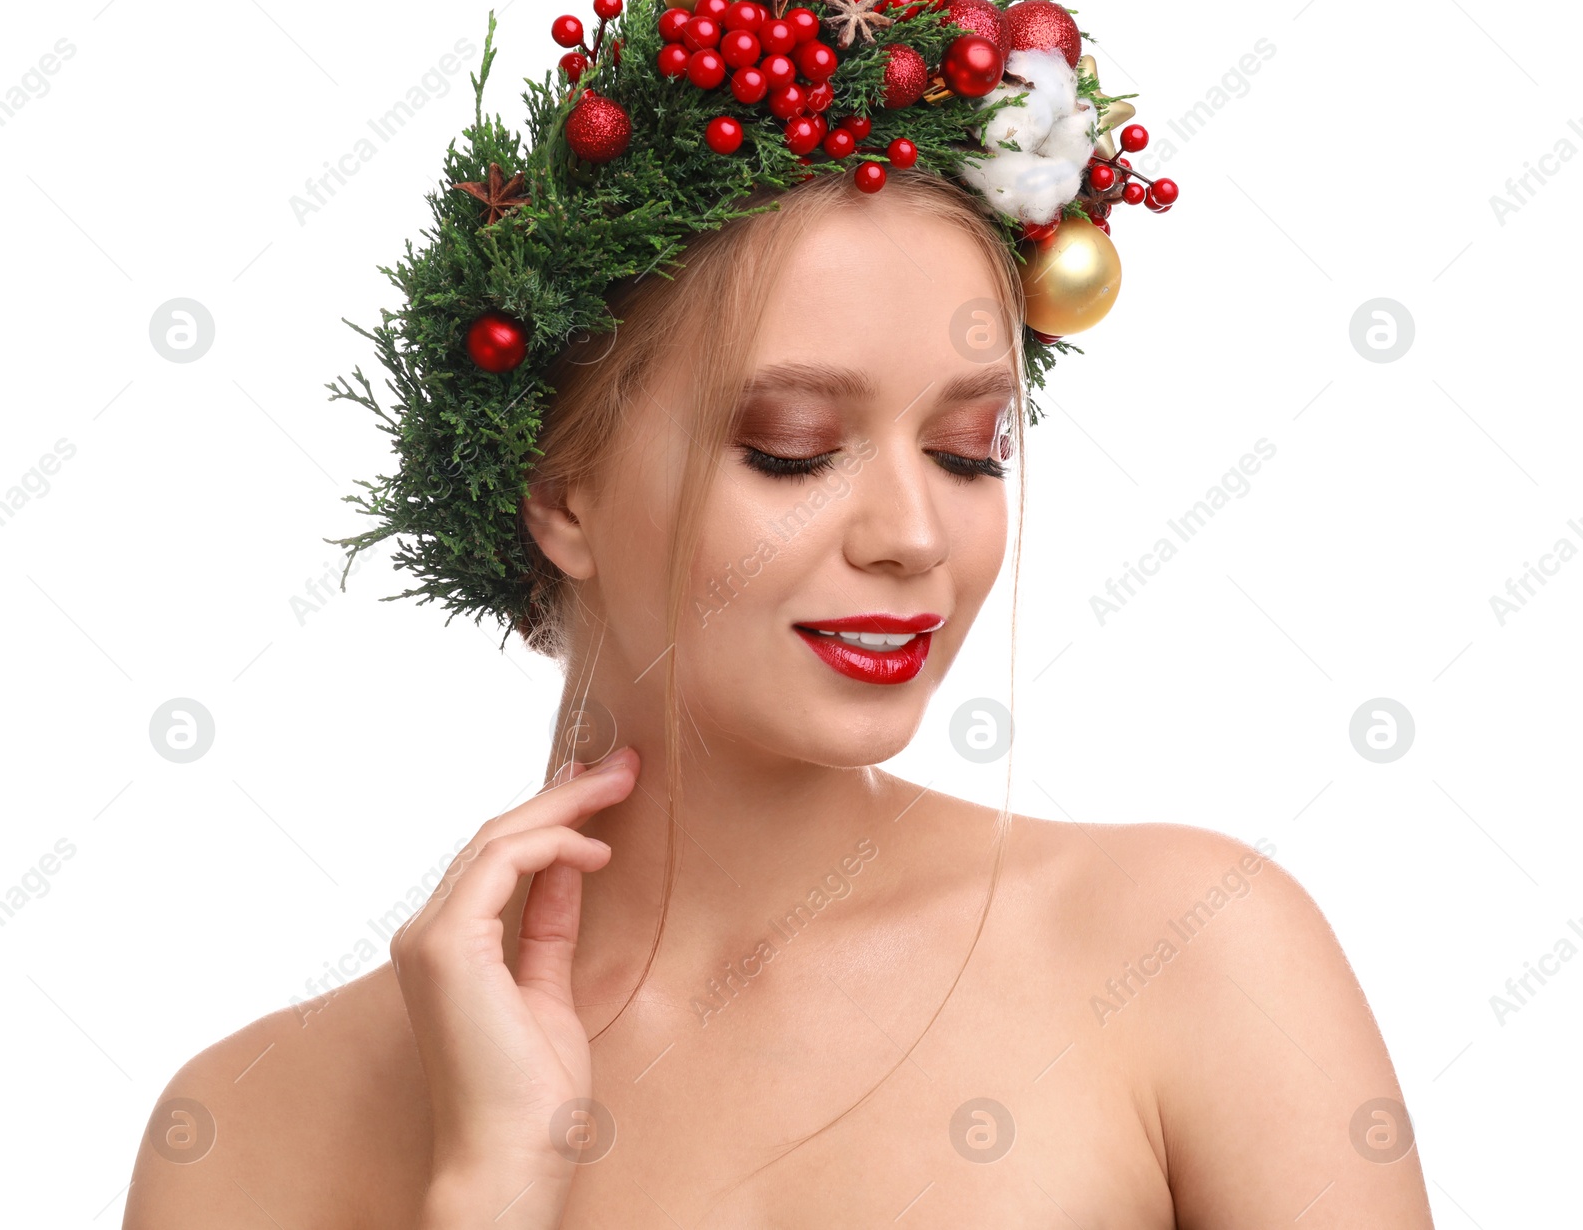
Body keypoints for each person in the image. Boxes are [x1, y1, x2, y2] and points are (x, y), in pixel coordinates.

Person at [122, 166, 1432, 1228]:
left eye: (970, 450)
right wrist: (491, 1191)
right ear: (561, 496)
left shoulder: (1191, 953)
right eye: (794, 448)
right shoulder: (241, 1132)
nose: (913, 534)